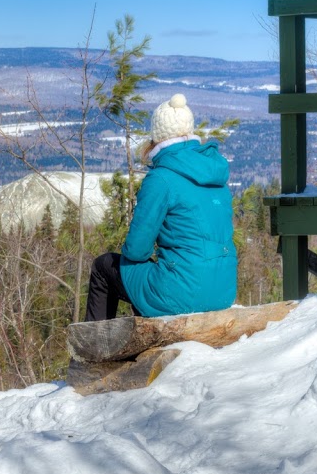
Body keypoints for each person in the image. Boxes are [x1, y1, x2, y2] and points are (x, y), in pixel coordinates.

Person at [85, 93, 237, 321]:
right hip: (223, 292)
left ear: (157, 136)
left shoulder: (161, 178)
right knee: (157, 272)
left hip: (183, 294)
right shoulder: (216, 174)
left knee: (104, 266)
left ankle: (92, 352)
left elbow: (137, 250)